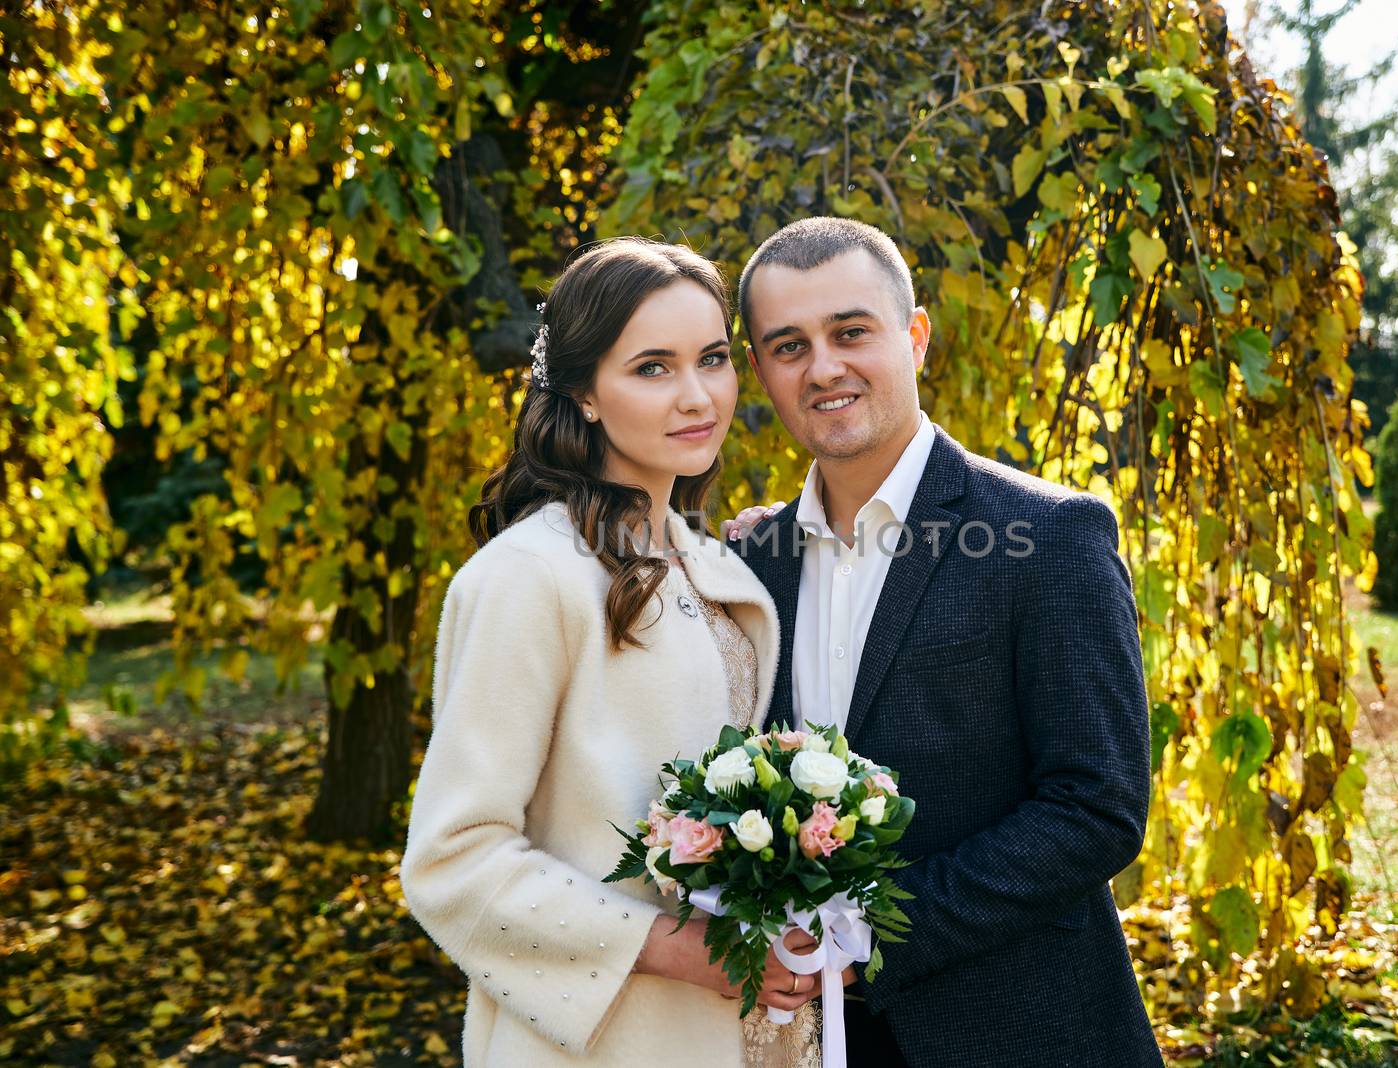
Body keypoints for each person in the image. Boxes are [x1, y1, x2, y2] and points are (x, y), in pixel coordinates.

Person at [724, 217, 1163, 1066]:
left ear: (914, 337)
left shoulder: (1049, 535)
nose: (824, 368)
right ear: (759, 372)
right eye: (789, 346)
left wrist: (864, 934)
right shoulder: (747, 567)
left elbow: (1096, 806)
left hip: (1016, 1030)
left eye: (851, 332)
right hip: (802, 1043)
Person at [400, 237, 822, 1066]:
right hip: (606, 1043)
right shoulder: (529, 576)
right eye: (653, 368)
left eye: (712, 359)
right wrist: (675, 948)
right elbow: (453, 857)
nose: (697, 396)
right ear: (585, 393)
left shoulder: (717, 570)